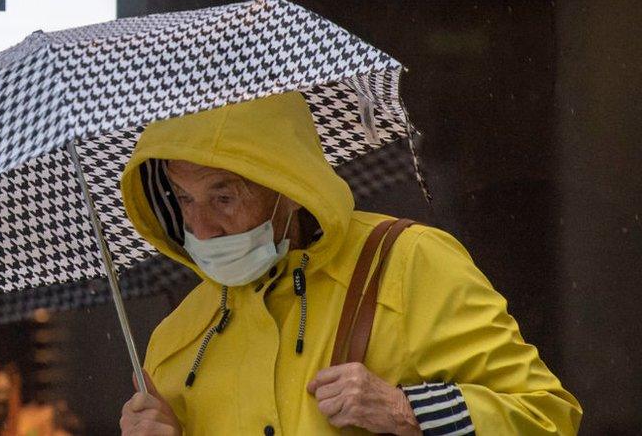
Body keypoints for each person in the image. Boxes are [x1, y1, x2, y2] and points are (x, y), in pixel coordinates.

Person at [116, 92, 581, 435]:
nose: (202, 227)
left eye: (224, 195)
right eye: (183, 198)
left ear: (290, 190)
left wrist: (406, 410)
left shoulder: (407, 263)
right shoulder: (173, 342)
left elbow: (547, 418)